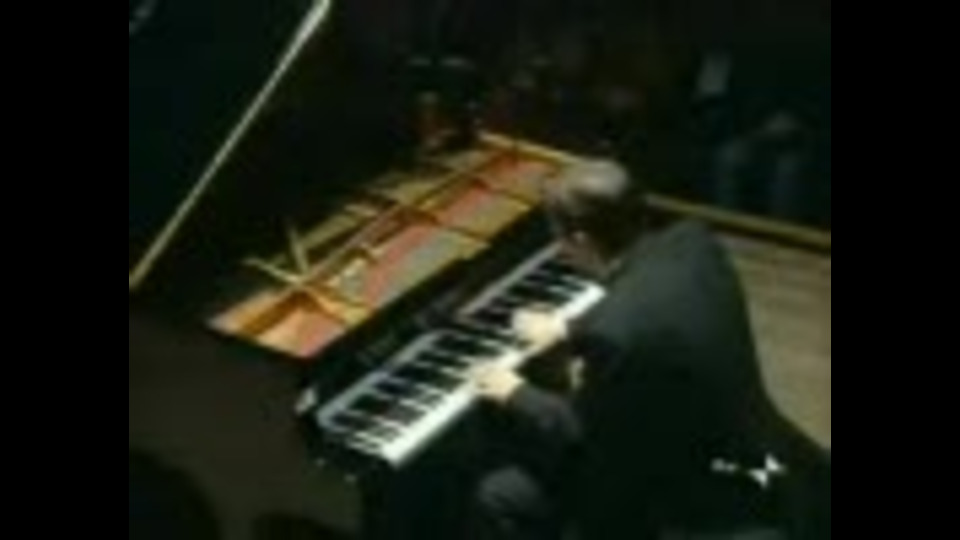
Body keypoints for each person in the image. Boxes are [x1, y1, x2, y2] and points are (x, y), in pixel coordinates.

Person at [466, 160, 828, 540]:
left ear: (581, 241)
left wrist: (514, 391)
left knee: (498, 493)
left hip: (693, 488)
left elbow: (582, 434)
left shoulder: (616, 332)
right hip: (754, 439)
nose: (561, 250)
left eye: (559, 239)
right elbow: (651, 312)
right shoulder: (695, 243)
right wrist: (568, 328)